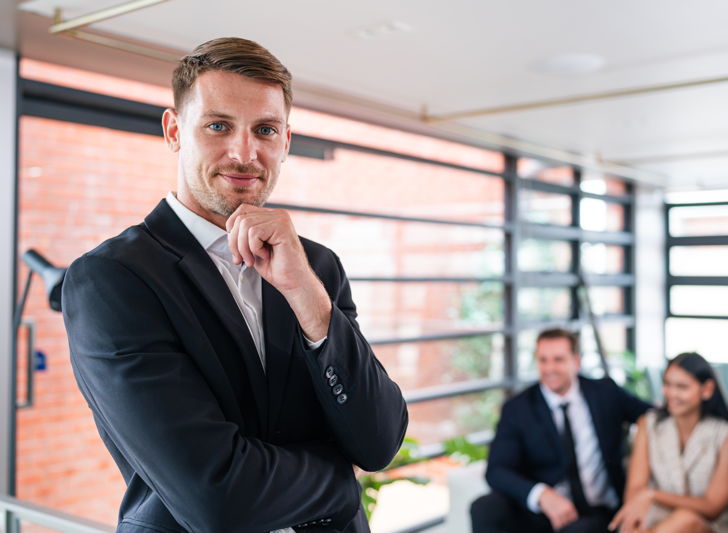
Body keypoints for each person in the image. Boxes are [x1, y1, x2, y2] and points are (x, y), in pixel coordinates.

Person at [62, 37, 408, 533]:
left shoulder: (317, 267)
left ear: (285, 141)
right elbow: (217, 498)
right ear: (175, 130)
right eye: (219, 125)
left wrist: (308, 298)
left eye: (265, 129)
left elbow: (378, 441)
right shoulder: (112, 279)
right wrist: (338, 477)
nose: (244, 153)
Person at [470, 328, 651, 533]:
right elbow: (496, 470)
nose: (550, 369)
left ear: (576, 361)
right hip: (547, 511)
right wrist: (541, 495)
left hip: (598, 510)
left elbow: (652, 416)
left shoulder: (605, 393)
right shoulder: (518, 409)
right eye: (543, 360)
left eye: (558, 359)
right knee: (485, 507)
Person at [609, 352, 728, 533]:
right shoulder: (649, 425)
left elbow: (712, 508)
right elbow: (635, 491)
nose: (671, 393)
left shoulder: (727, 436)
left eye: (682, 387)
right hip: (656, 521)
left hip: (711, 527)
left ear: (707, 389)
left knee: (685, 520)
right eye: (667, 384)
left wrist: (653, 495)